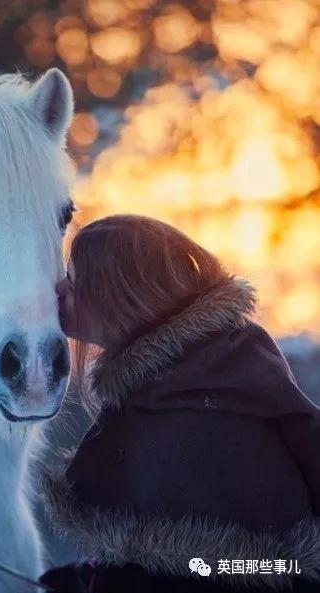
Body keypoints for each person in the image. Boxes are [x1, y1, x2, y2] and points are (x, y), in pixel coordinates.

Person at [38, 215, 320, 593]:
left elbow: (221, 569)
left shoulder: (194, 405)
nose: (58, 291)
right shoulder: (170, 385)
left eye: (74, 281)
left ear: (118, 293)